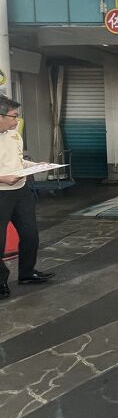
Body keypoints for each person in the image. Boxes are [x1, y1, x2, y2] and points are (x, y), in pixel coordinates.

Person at [0, 95, 54, 299]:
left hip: (21, 191)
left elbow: (19, 161)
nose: (17, 121)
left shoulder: (14, 135)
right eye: (13, 117)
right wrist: (3, 178)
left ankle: (27, 273)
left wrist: (39, 166)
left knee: (30, 234)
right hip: (1, 193)